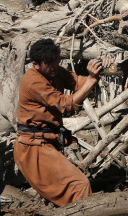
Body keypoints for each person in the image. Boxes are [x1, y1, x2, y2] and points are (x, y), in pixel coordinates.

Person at [14, 39, 110, 207]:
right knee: (79, 186)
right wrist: (92, 80)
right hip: (33, 147)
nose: (55, 66)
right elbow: (66, 105)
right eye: (49, 63)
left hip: (48, 142)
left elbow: (79, 82)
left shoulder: (54, 71)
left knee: (68, 190)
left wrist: (99, 65)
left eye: (56, 60)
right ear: (36, 64)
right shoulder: (33, 82)